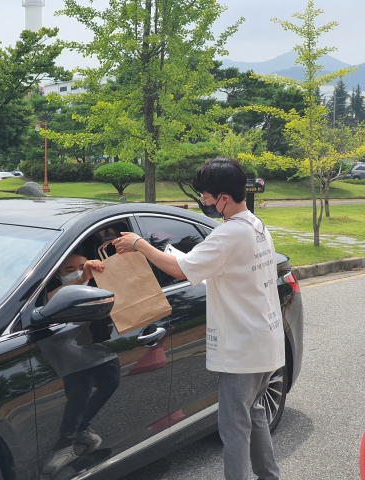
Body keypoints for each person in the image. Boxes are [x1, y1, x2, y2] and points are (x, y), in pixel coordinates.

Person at [112, 157, 284, 480]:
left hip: (242, 351)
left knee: (234, 432)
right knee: (255, 414)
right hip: (265, 344)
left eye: (205, 196)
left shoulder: (228, 235)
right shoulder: (256, 225)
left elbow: (179, 269)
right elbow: (231, 272)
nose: (202, 201)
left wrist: (139, 244)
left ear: (224, 198)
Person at [40, 249, 120, 475]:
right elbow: (50, 299)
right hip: (61, 344)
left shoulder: (95, 286)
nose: (76, 271)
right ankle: (64, 445)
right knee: (81, 385)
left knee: (110, 376)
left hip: (82, 343)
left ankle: (80, 428)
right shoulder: (55, 288)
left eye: (82, 266)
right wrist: (82, 278)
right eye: (69, 269)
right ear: (57, 273)